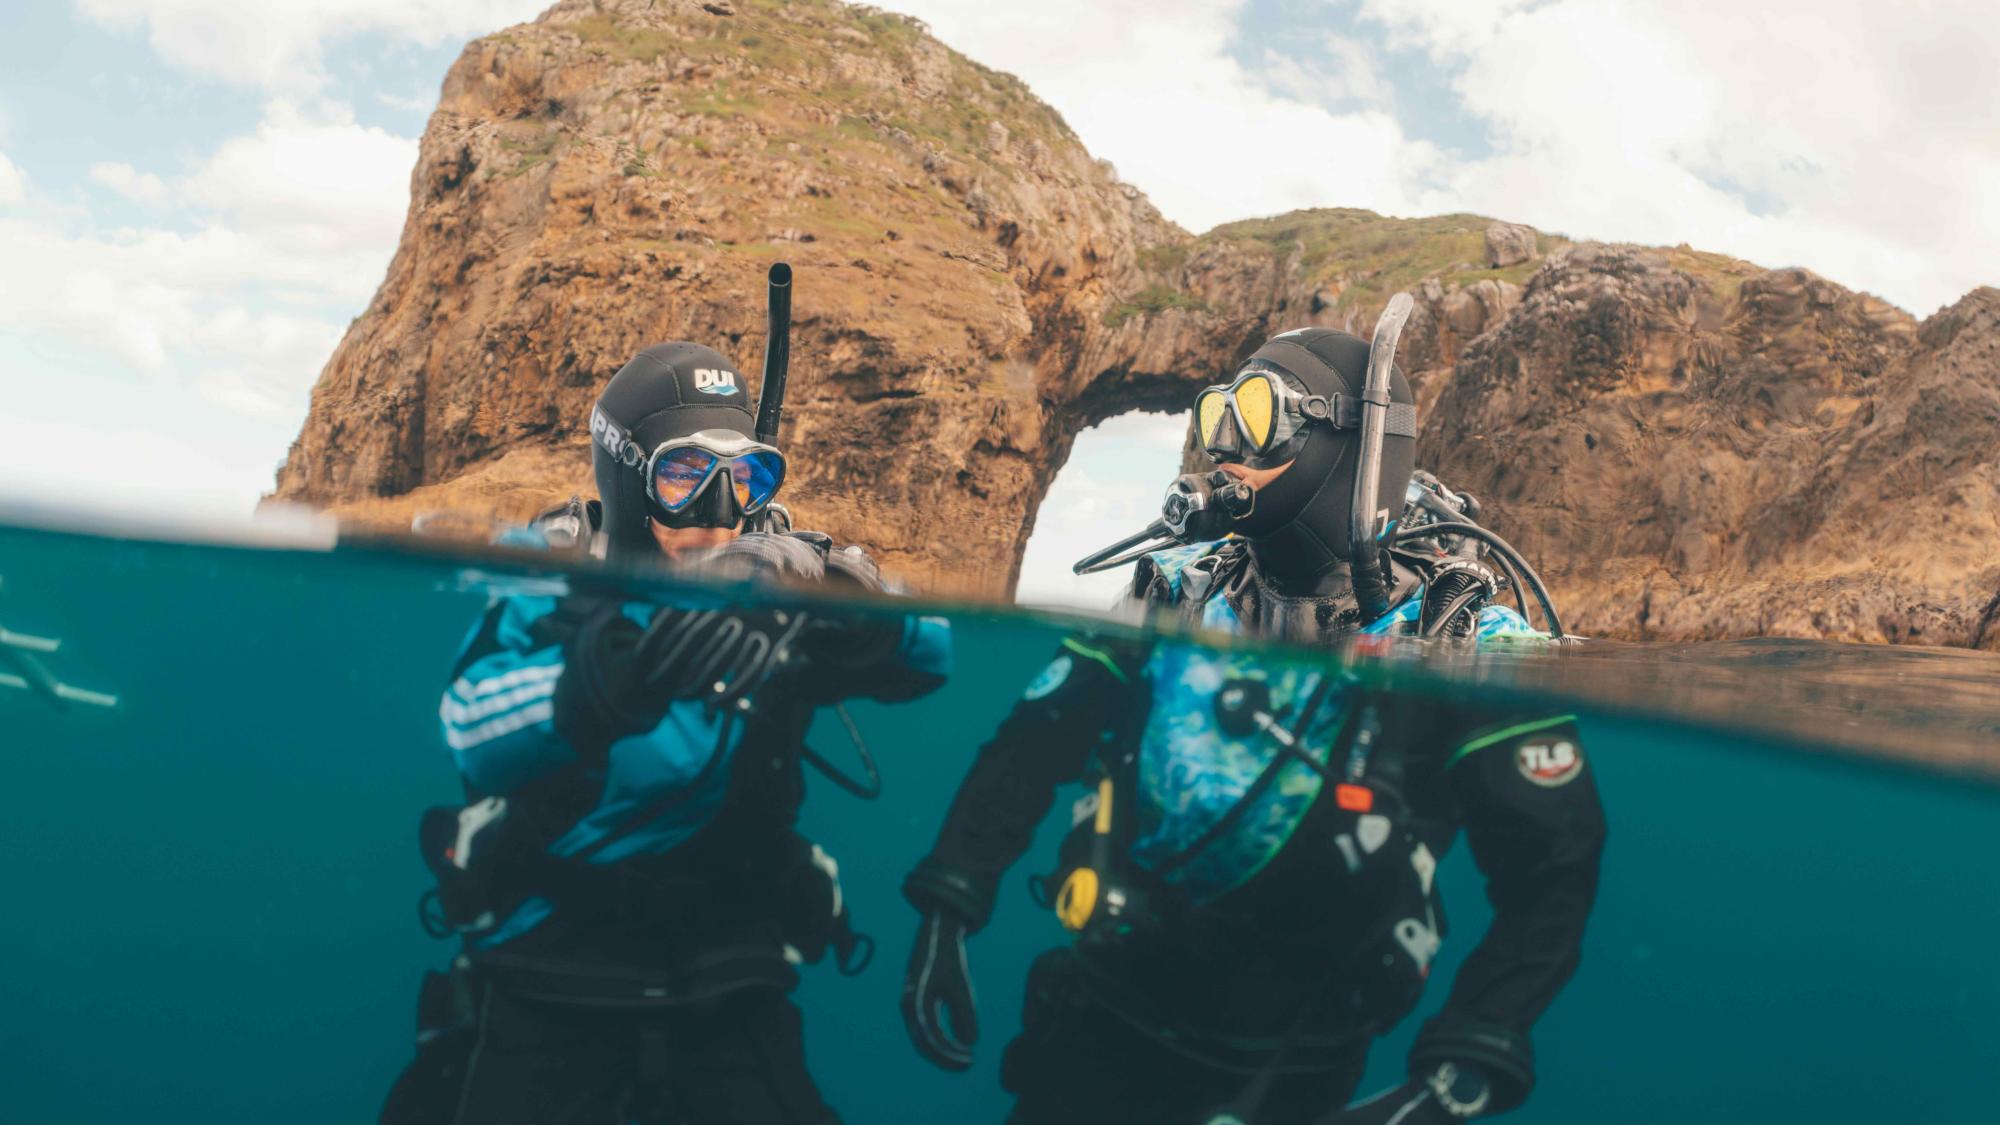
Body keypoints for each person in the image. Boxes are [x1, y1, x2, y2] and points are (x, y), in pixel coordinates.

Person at [898, 307, 1605, 1125]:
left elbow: (1557, 865)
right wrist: (951, 897)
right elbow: (1035, 739)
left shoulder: (1460, 639)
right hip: (1103, 1010)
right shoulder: (1174, 588)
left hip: (1292, 1067)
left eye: (1260, 420)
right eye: (1216, 420)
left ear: (1350, 443)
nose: (1226, 450)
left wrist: (1465, 1064)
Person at [383, 340, 952, 1125]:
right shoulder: (551, 576)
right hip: (550, 980)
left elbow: (933, 651)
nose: (717, 512)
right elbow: (468, 722)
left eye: (745, 477)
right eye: (683, 475)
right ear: (624, 474)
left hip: (733, 986)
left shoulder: (779, 591)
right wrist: (609, 675)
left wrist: (831, 586)